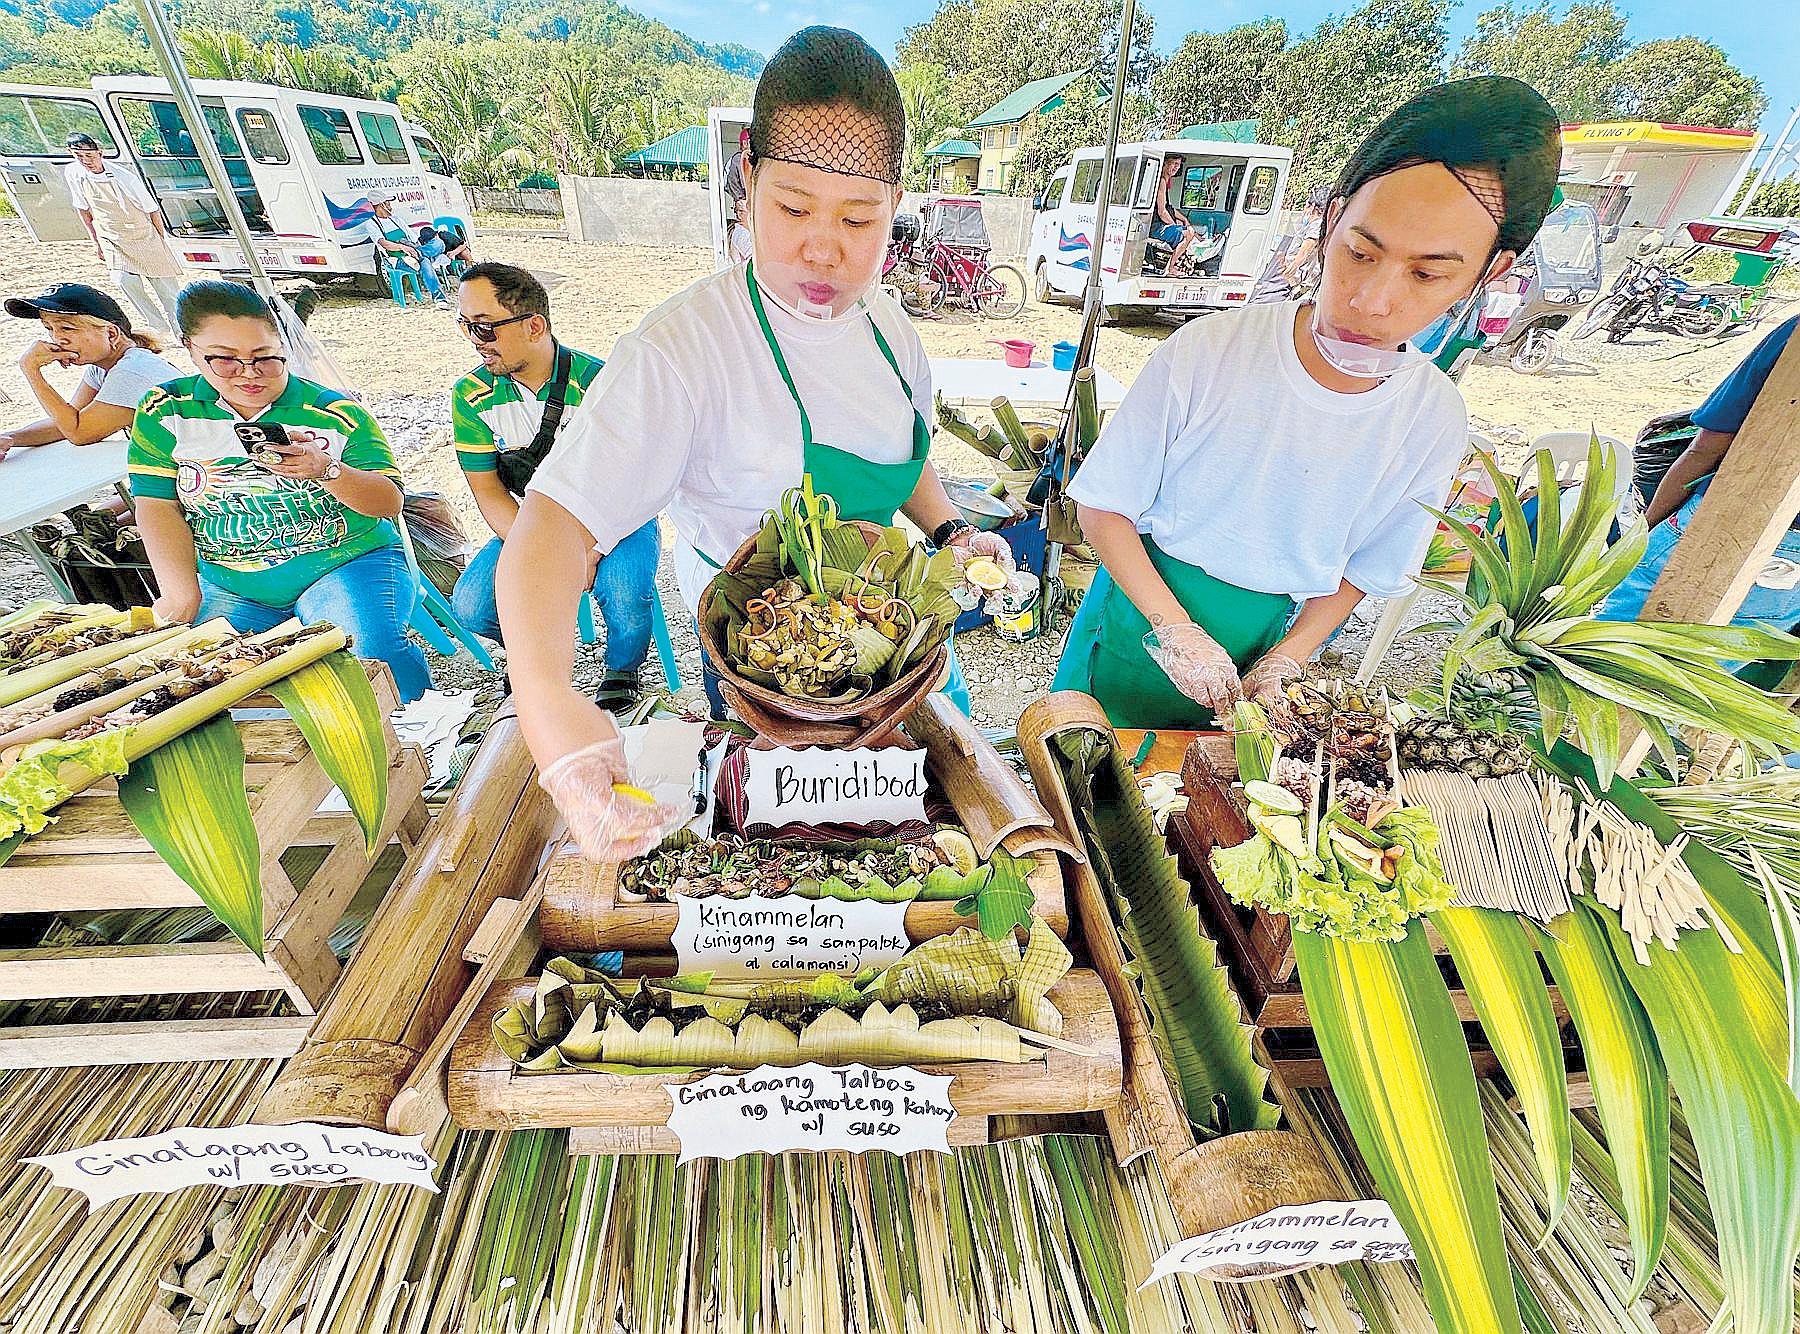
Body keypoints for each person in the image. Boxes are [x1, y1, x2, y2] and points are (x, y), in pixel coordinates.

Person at [496, 25, 1015, 861]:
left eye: (859, 218)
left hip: (895, 651)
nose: (824, 246)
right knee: (791, 859)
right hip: (771, 677)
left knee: (913, 849)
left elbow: (905, 456)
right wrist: (550, 706)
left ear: (896, 207)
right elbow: (554, 525)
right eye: (793, 207)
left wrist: (952, 529)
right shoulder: (685, 348)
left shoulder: (889, 324)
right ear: (747, 181)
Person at [1051, 76, 1562, 729]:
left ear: (1489, 272)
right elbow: (1102, 508)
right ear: (1330, 221)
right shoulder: (1212, 350)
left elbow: (1368, 567)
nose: (1373, 301)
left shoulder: (1432, 418)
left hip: (1271, 628)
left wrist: (1293, 654)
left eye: (1428, 274)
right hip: (1139, 614)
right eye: (1360, 252)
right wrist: (1175, 629)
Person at [129, 280, 430, 702]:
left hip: (343, 561)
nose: (249, 374)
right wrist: (180, 591)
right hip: (232, 580)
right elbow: (157, 505)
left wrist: (328, 471)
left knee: (369, 659)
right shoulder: (166, 410)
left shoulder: (332, 412)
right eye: (226, 361)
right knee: (208, 681)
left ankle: (423, 730)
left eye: (265, 359)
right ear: (190, 348)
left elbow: (389, 502)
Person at [449, 262, 661, 711]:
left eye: (485, 328)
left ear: (534, 325)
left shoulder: (600, 382)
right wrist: (541, 551)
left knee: (626, 595)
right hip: (534, 521)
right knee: (471, 604)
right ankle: (537, 652)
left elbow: (634, 481)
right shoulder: (470, 396)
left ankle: (624, 667)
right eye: (465, 326)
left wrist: (591, 551)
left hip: (618, 518)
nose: (474, 341)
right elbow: (487, 491)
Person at [1600, 314, 1800, 630]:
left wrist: (1644, 532)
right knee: (1695, 675)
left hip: (1721, 522)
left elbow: (1706, 448)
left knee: (1600, 658)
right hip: (1790, 581)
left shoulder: (1796, 333)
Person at [0, 283, 179, 457]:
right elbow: (66, 421)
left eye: (67, 328)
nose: (57, 338)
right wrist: (10, 438)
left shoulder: (132, 372)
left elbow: (78, 432)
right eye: (49, 328)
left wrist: (31, 371)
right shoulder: (104, 366)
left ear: (111, 334)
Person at [61, 132, 184, 333]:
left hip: (142, 234)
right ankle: (157, 327)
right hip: (111, 235)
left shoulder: (124, 177)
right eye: (79, 156)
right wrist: (96, 242)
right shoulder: (74, 173)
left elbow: (152, 210)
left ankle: (180, 330)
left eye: (89, 156)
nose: (85, 161)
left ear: (100, 153)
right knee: (124, 281)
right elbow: (83, 209)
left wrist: (159, 240)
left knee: (167, 289)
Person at [361, 192, 447, 304]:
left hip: (414, 252)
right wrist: (404, 248)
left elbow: (413, 239)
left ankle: (421, 254)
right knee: (425, 261)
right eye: (388, 203)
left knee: (438, 243)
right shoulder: (372, 224)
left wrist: (415, 249)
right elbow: (384, 244)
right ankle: (440, 299)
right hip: (397, 259)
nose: (390, 207)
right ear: (381, 205)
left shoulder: (396, 219)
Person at [1153, 155, 1203, 276]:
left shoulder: (1165, 181)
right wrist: (1176, 226)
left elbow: (1169, 208)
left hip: (1160, 225)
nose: (1176, 167)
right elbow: (1162, 212)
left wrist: (1184, 219)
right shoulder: (1161, 182)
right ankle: (1171, 267)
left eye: (1178, 164)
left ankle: (1197, 242)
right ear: (1165, 164)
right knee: (1188, 232)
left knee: (1187, 228)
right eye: (1173, 163)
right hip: (1155, 227)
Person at [724, 128, 754, 264]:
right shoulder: (738, 159)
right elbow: (732, 182)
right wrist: (740, 199)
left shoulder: (752, 160)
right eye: (749, 141)